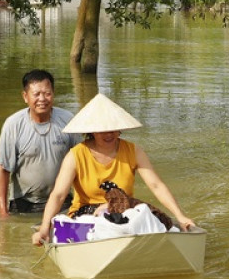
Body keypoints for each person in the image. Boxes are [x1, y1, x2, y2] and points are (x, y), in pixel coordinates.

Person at [31, 93, 196, 246]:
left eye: (113, 128)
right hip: (87, 213)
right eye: (102, 129)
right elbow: (59, 195)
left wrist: (180, 216)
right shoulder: (75, 155)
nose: (108, 134)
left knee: (149, 216)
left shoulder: (134, 151)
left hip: (122, 209)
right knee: (104, 221)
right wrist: (45, 227)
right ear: (91, 131)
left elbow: (156, 185)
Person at [0, 70, 81, 217]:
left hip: (62, 201)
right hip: (23, 203)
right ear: (25, 96)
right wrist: (3, 213)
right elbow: (3, 169)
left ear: (53, 93)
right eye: (36, 94)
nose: (42, 99)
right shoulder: (13, 124)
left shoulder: (68, 121)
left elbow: (83, 162)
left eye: (47, 93)